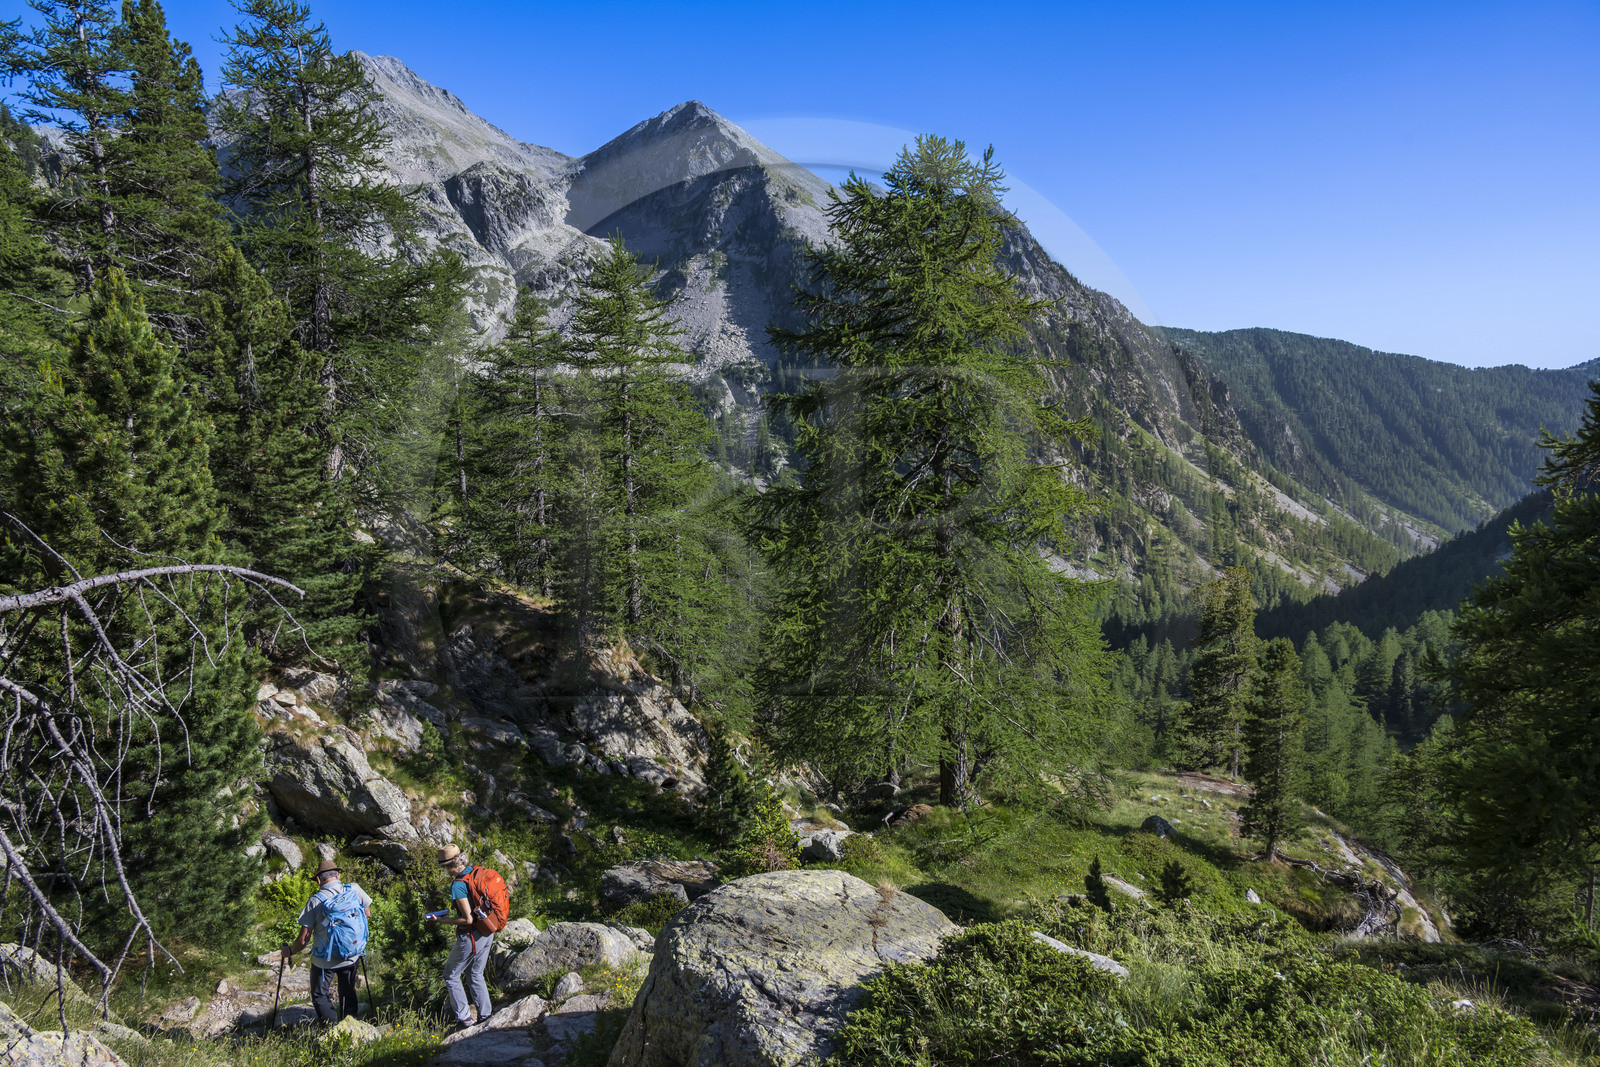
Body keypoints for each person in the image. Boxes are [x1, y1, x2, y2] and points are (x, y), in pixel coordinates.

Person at [281, 858, 372, 1025]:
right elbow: (367, 914)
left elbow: (303, 940)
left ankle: (331, 1029)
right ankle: (350, 1028)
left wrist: (290, 952)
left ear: (318, 880)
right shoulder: (354, 889)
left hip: (325, 960)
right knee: (348, 990)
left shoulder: (315, 901)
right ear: (338, 875)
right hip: (351, 954)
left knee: (320, 994)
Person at [427, 844, 498, 1032]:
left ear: (449, 866)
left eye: (444, 867)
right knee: (475, 974)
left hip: (471, 936)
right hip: (487, 930)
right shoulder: (476, 872)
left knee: (450, 975)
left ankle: (465, 1019)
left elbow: (467, 919)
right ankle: (485, 1016)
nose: (444, 871)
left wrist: (441, 920)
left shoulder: (458, 884)